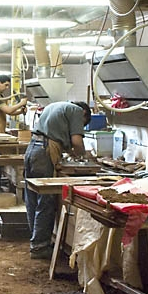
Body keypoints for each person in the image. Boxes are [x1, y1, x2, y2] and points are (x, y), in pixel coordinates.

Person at [24, 101, 91, 259]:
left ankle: (36, 240)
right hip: (45, 152)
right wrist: (84, 155)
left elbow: (59, 136)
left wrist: (71, 152)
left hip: (33, 148)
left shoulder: (56, 106)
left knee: (32, 198)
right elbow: (76, 142)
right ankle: (40, 246)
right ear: (84, 114)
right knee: (45, 200)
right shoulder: (77, 111)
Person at [0, 75, 27, 192]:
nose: (7, 87)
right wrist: (21, 103)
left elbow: (9, 113)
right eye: (6, 85)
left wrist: (20, 111)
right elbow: (8, 110)